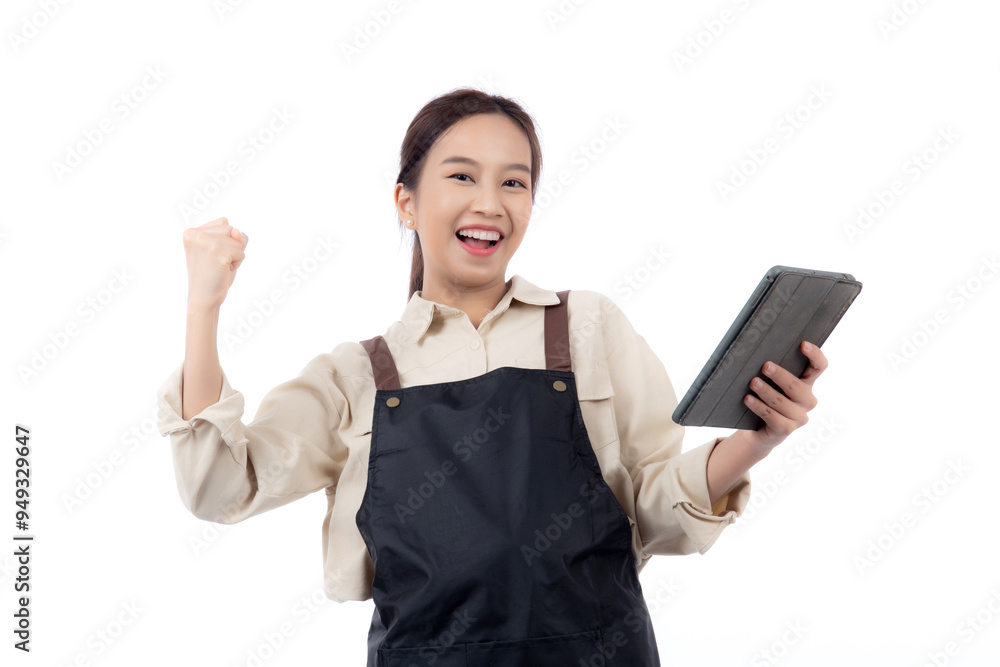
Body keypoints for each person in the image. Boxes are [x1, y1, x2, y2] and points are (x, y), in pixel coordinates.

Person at [156, 87, 828, 666]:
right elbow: (220, 487)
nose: (491, 202)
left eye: (514, 181)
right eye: (460, 177)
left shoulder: (588, 327)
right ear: (406, 201)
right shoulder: (355, 374)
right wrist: (203, 307)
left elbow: (653, 508)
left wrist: (755, 439)